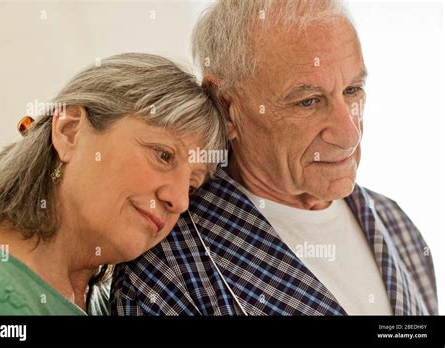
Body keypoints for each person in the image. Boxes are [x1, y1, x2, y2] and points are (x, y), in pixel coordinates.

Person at [111, 0, 438, 315]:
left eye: (352, 91)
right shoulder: (168, 275)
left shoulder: (395, 224)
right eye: (308, 102)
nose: (349, 134)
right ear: (226, 107)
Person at [0, 53, 226, 315]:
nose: (180, 201)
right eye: (164, 155)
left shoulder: (109, 301)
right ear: (69, 131)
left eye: (192, 186)